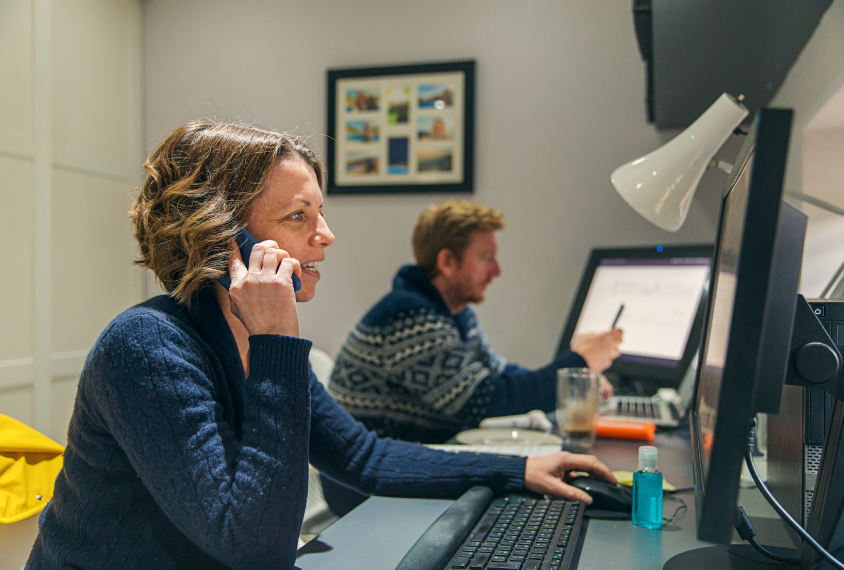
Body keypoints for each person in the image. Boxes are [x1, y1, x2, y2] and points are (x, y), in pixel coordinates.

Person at [26, 121, 617, 570]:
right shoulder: (146, 348)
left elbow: (364, 457)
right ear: (223, 238)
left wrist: (519, 469)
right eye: (298, 216)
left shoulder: (249, 337)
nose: (326, 235)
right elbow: (256, 546)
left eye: (322, 212)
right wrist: (280, 345)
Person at [328, 199, 622, 444]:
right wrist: (579, 362)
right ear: (447, 262)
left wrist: (573, 379)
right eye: (486, 258)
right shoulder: (409, 318)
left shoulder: (452, 310)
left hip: (407, 460)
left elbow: (497, 374)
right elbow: (484, 402)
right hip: (367, 489)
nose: (497, 271)